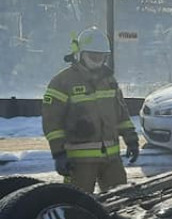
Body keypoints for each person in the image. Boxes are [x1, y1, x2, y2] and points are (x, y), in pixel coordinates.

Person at [42, 27, 139, 194]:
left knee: (121, 201)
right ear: (80, 54)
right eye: (93, 56)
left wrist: (131, 140)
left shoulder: (109, 81)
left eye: (101, 56)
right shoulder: (62, 82)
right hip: (79, 162)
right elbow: (52, 121)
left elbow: (121, 115)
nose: (97, 60)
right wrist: (59, 153)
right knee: (78, 204)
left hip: (111, 160)